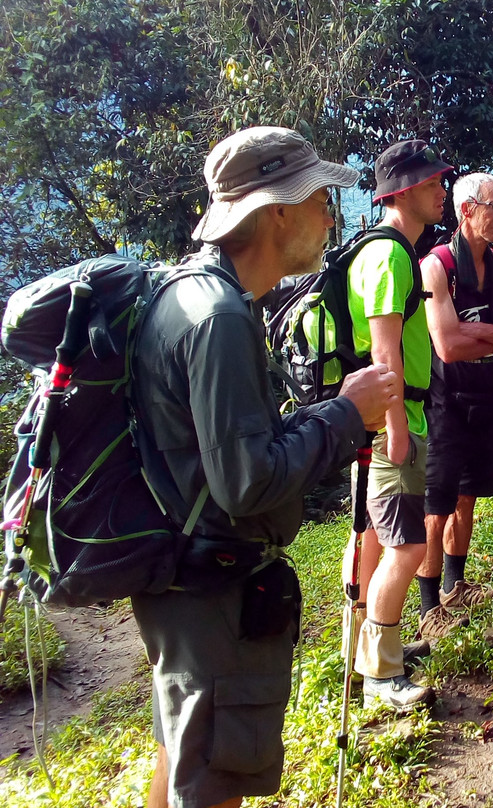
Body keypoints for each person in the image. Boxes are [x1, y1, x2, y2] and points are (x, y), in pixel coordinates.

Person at [131, 126, 398, 808]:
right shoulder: (219, 318)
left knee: (183, 751)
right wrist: (344, 415)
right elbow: (245, 482)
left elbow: (225, 449)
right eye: (318, 199)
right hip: (212, 591)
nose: (327, 217)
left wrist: (327, 416)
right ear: (277, 209)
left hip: (183, 582)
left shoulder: (192, 295)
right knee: (213, 777)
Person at [341, 139, 453, 711]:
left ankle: (361, 657)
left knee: (370, 539)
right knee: (406, 546)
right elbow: (384, 356)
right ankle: (382, 679)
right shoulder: (387, 256)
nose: (443, 192)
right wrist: (398, 430)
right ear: (405, 191)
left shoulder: (384, 251)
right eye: (434, 183)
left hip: (380, 420)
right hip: (393, 422)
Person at [414, 173, 493, 637]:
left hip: (486, 393)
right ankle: (428, 608)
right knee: (438, 500)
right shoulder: (437, 266)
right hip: (444, 399)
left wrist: (480, 335)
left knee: (468, 495)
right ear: (468, 209)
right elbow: (445, 345)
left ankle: (455, 584)